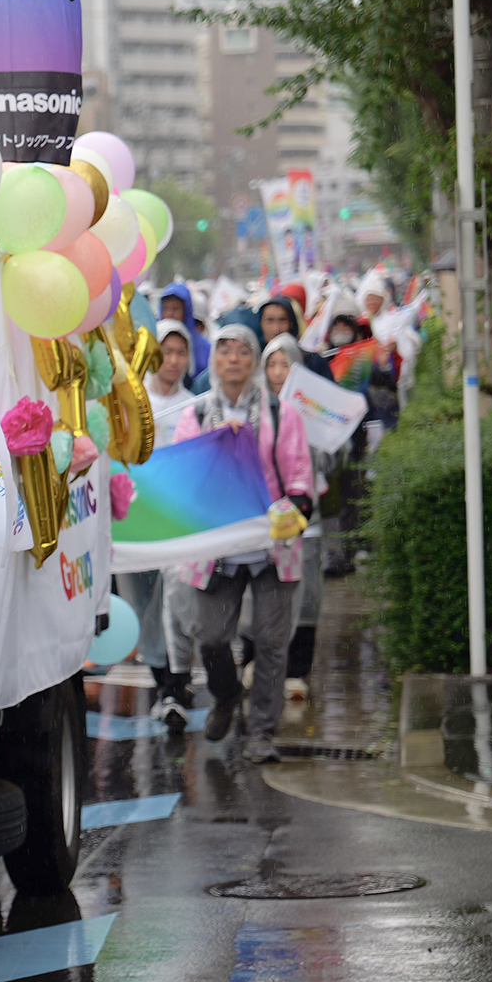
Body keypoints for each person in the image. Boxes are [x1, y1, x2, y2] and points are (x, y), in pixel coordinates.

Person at [174, 325, 314, 764]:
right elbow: (184, 478)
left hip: (272, 548)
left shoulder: (281, 412)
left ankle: (262, 734)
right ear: (213, 361)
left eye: (242, 351)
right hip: (218, 550)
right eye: (224, 351)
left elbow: (299, 477)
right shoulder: (194, 416)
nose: (233, 359)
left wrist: (293, 510)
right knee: (211, 637)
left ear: (254, 362)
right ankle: (227, 694)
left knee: (272, 644)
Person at [121, 319, 196, 733]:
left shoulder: (194, 403)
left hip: (176, 520)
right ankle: (162, 677)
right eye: (165, 352)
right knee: (142, 601)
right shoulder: (131, 398)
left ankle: (172, 683)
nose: (173, 360)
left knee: (175, 600)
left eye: (181, 352)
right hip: (134, 518)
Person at [264, 332, 325, 700]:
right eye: (271, 364)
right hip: (268, 521)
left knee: (306, 595)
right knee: (266, 593)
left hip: (307, 520)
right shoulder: (258, 409)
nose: (277, 372)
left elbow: (332, 455)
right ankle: (261, 663)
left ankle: (297, 670)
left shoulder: (312, 409)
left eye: (284, 363)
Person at [159, 282, 209, 379]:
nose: (169, 314)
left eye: (175, 308)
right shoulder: (152, 343)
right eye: (165, 308)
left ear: (186, 311)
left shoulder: (205, 349)